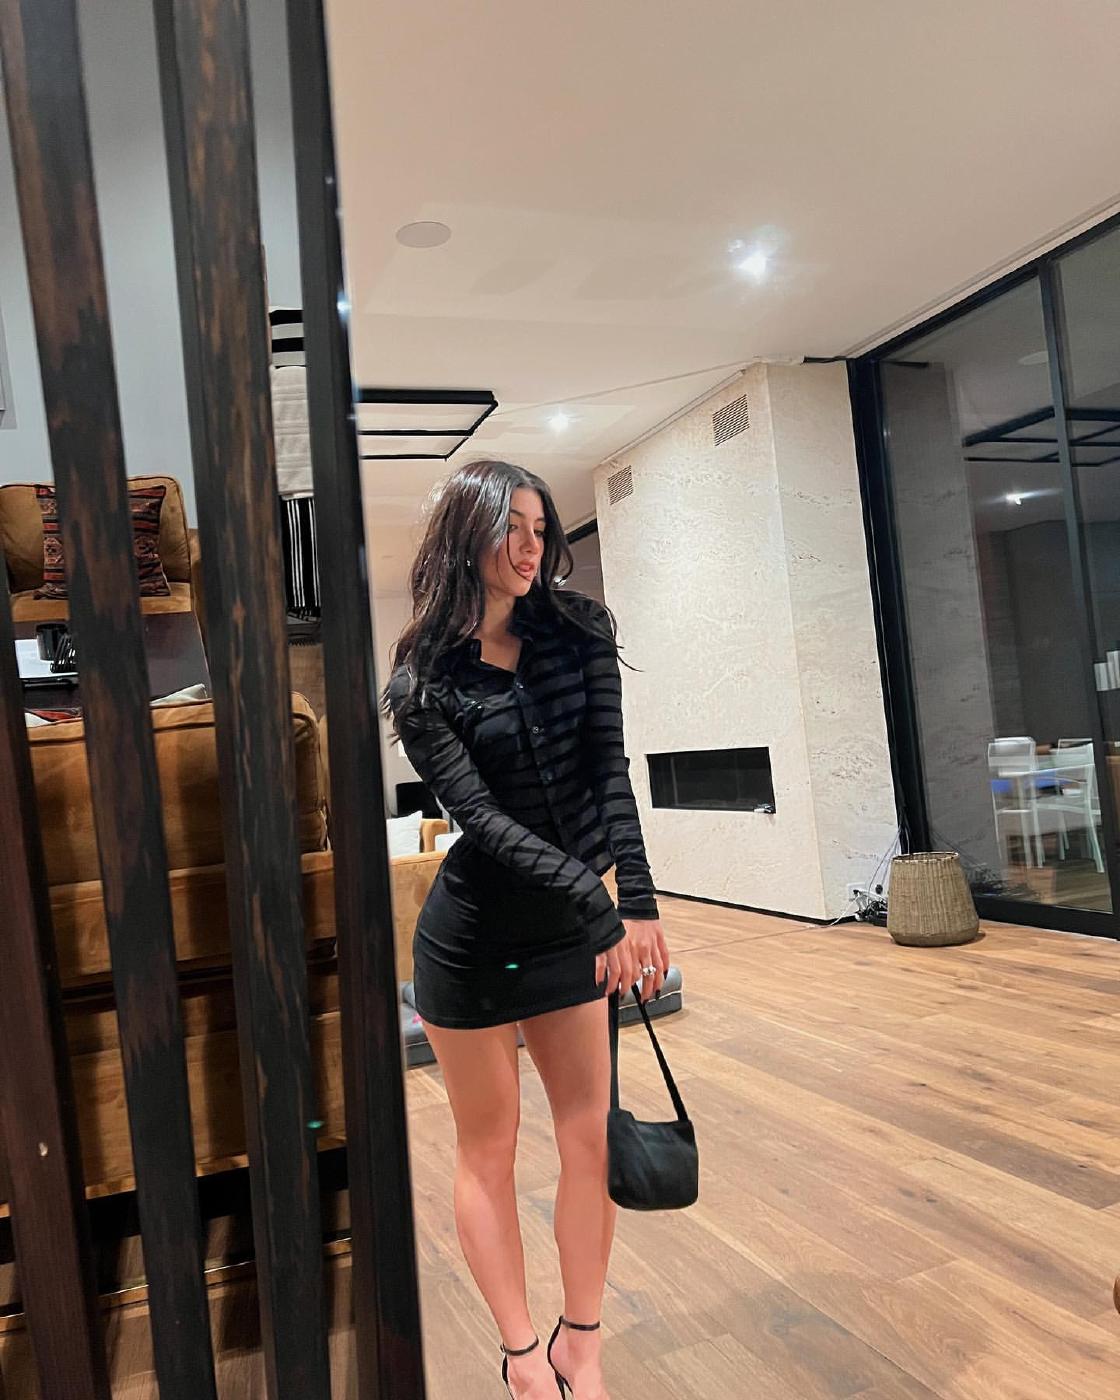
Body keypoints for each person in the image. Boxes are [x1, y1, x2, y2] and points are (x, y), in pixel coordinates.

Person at [385, 459, 670, 1399]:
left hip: (571, 933)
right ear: (465, 533)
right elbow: (480, 820)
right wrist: (599, 905)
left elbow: (609, 771)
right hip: (470, 942)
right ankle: (520, 1357)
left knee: (589, 1139)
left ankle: (581, 1345)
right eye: (511, 525)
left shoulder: (578, 633)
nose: (529, 546)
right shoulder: (423, 680)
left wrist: (637, 901)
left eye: (540, 529)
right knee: (489, 1147)